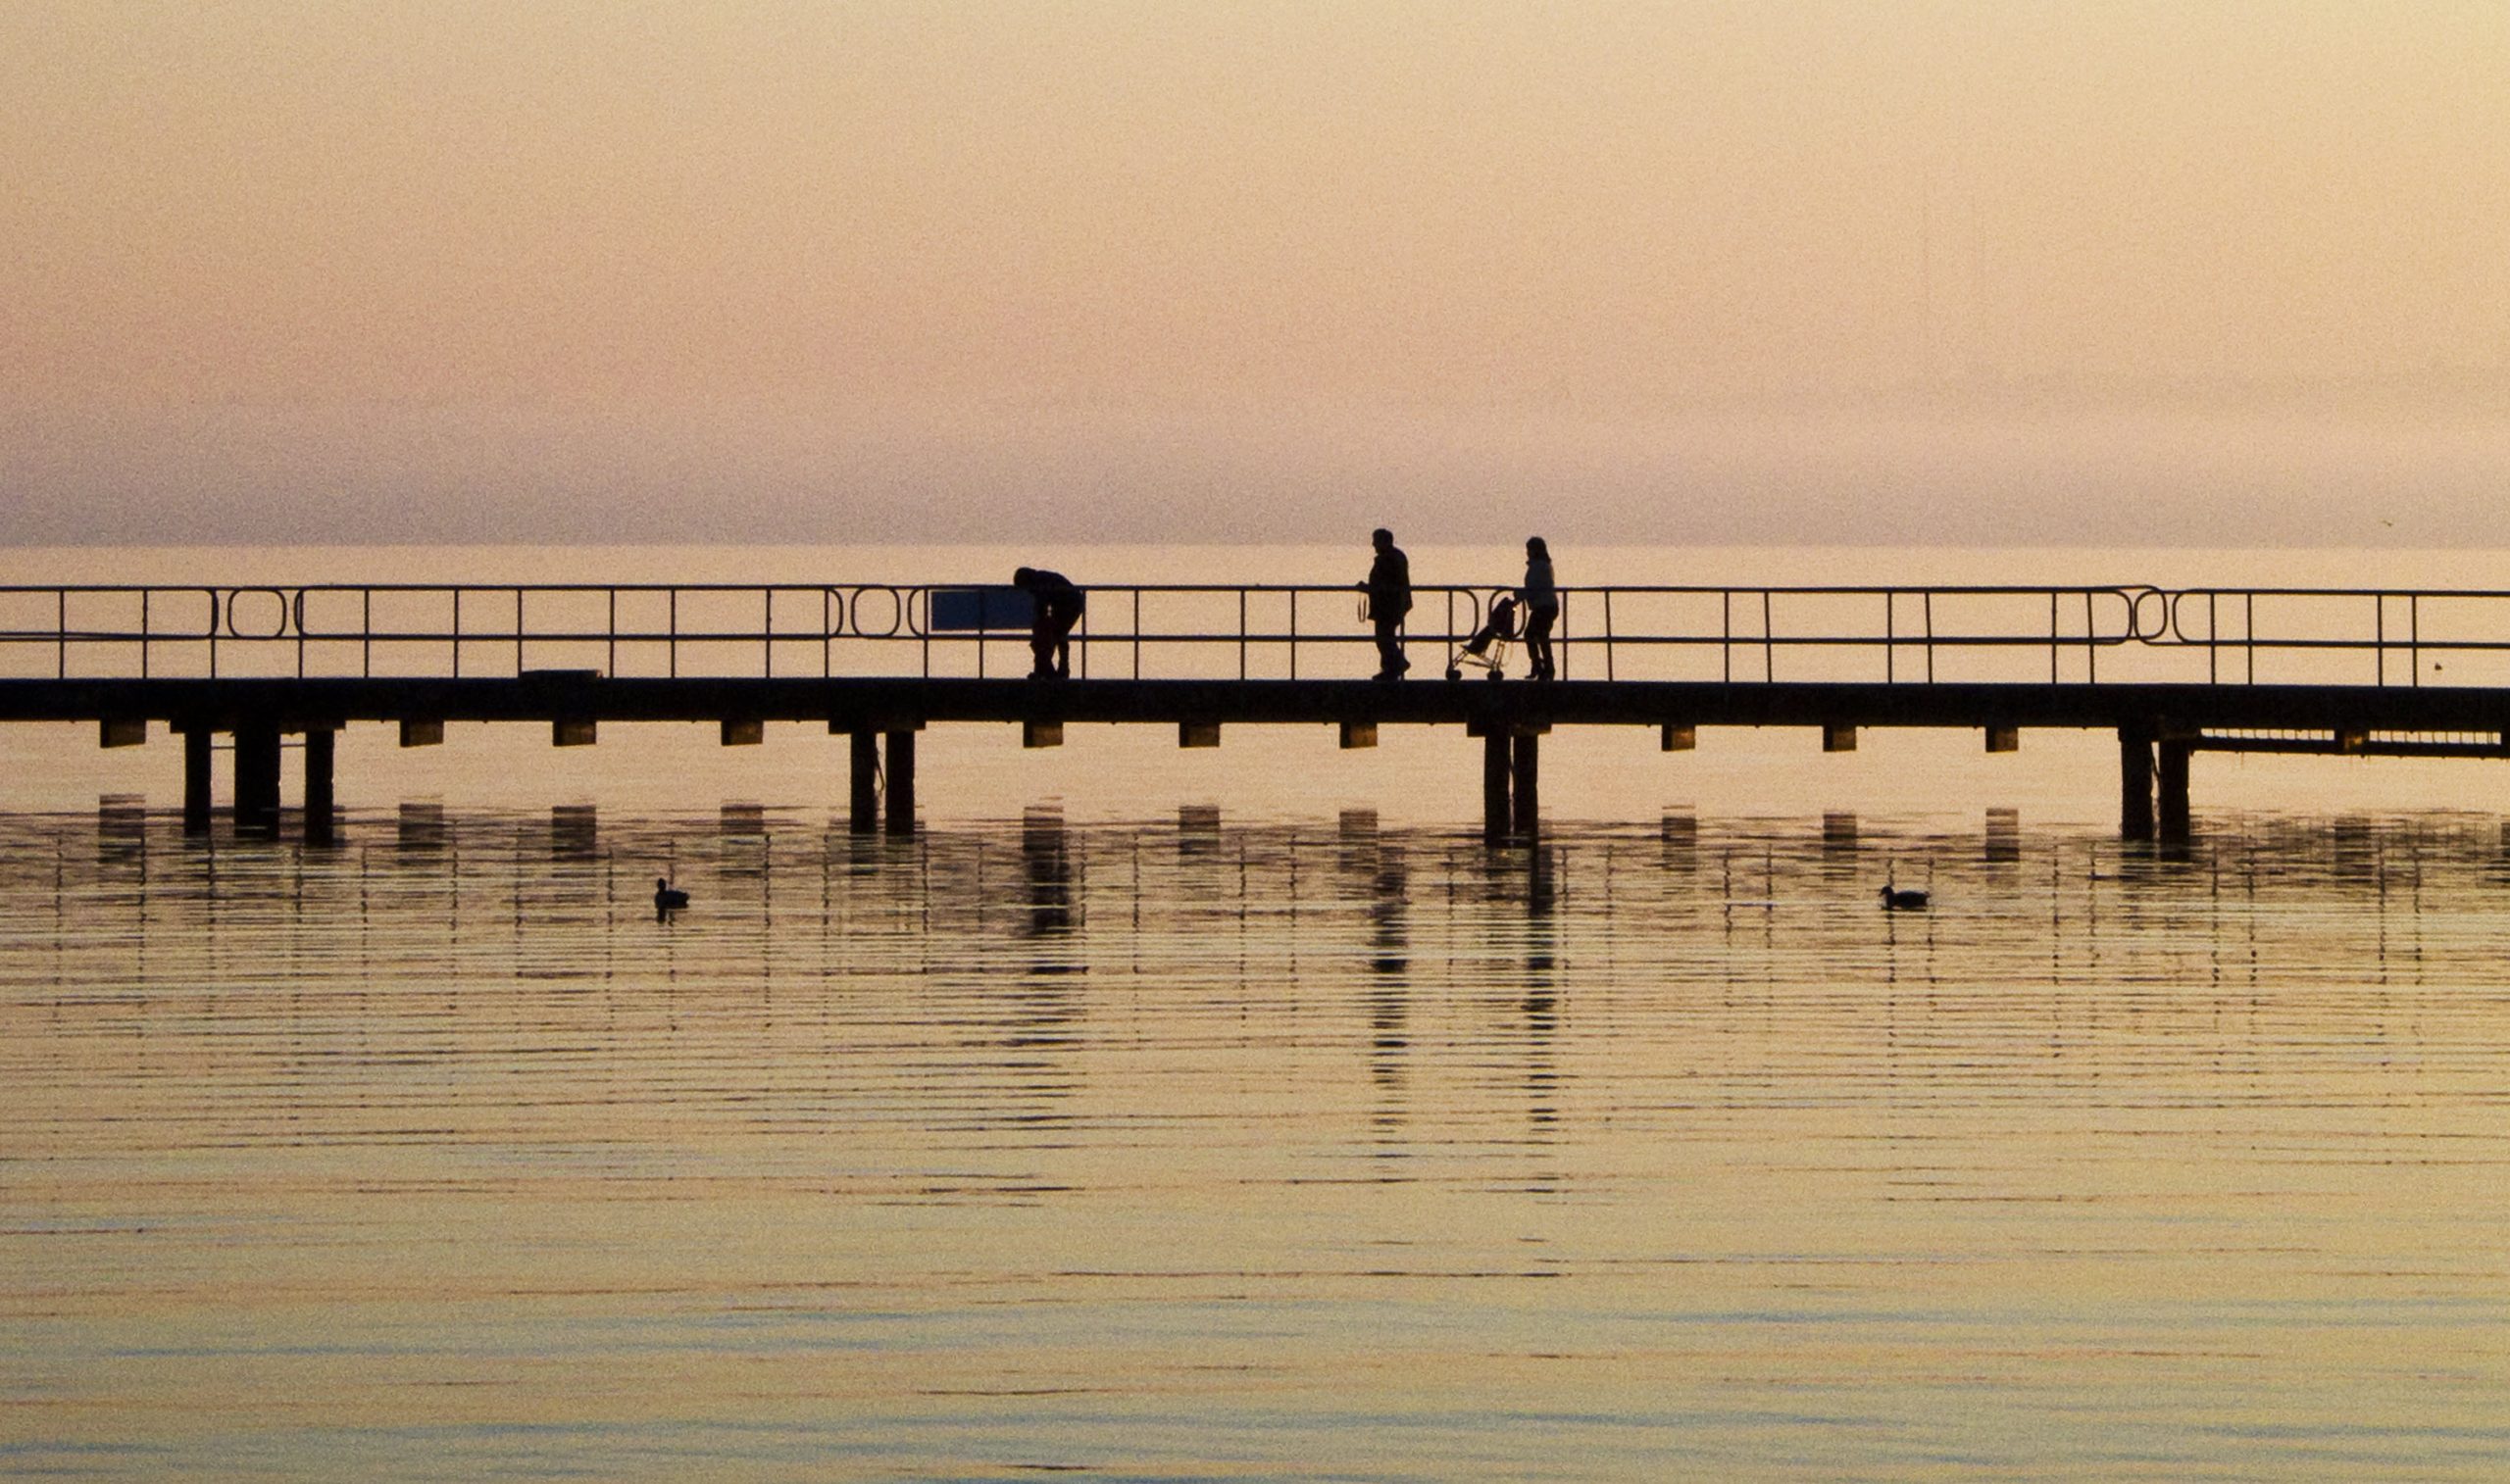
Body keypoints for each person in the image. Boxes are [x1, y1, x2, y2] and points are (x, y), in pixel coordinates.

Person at [1012, 567, 1084, 679]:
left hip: (1069, 604)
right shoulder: (1040, 578)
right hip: (1069, 602)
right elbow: (1043, 606)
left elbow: (1042, 605)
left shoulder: (1038, 582)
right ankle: (1053, 669)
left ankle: (1051, 669)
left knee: (1055, 635)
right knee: (1057, 635)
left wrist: (1039, 620)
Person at [1360, 528, 1412, 680]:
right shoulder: (1396, 556)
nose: (1373, 544)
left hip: (1388, 605)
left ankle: (1396, 664)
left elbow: (1385, 584)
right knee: (1385, 637)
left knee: (1384, 638)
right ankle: (1389, 668)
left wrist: (1367, 588)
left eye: (1376, 541)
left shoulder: (1387, 559)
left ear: (1384, 542)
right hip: (1395, 603)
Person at [1519, 536, 1559, 681]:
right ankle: (1543, 667)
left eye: (1529, 549)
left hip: (1544, 606)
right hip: (1546, 605)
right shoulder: (1543, 565)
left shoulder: (1538, 566)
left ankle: (1542, 667)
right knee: (1541, 636)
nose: (1527, 552)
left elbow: (1535, 588)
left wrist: (1521, 595)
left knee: (1533, 634)